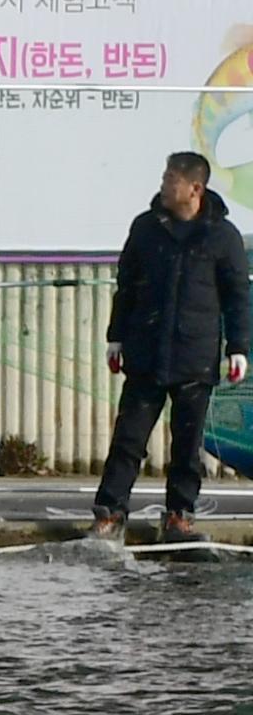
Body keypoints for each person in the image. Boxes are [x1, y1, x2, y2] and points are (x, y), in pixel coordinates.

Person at [90, 149, 251, 544]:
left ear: (195, 188)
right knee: (128, 439)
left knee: (187, 445)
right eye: (164, 177)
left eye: (171, 179)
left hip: (195, 358)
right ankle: (110, 513)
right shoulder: (146, 227)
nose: (164, 184)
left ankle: (179, 516)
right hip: (145, 355)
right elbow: (126, 286)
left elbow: (237, 296)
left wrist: (239, 347)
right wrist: (116, 337)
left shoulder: (221, 236)